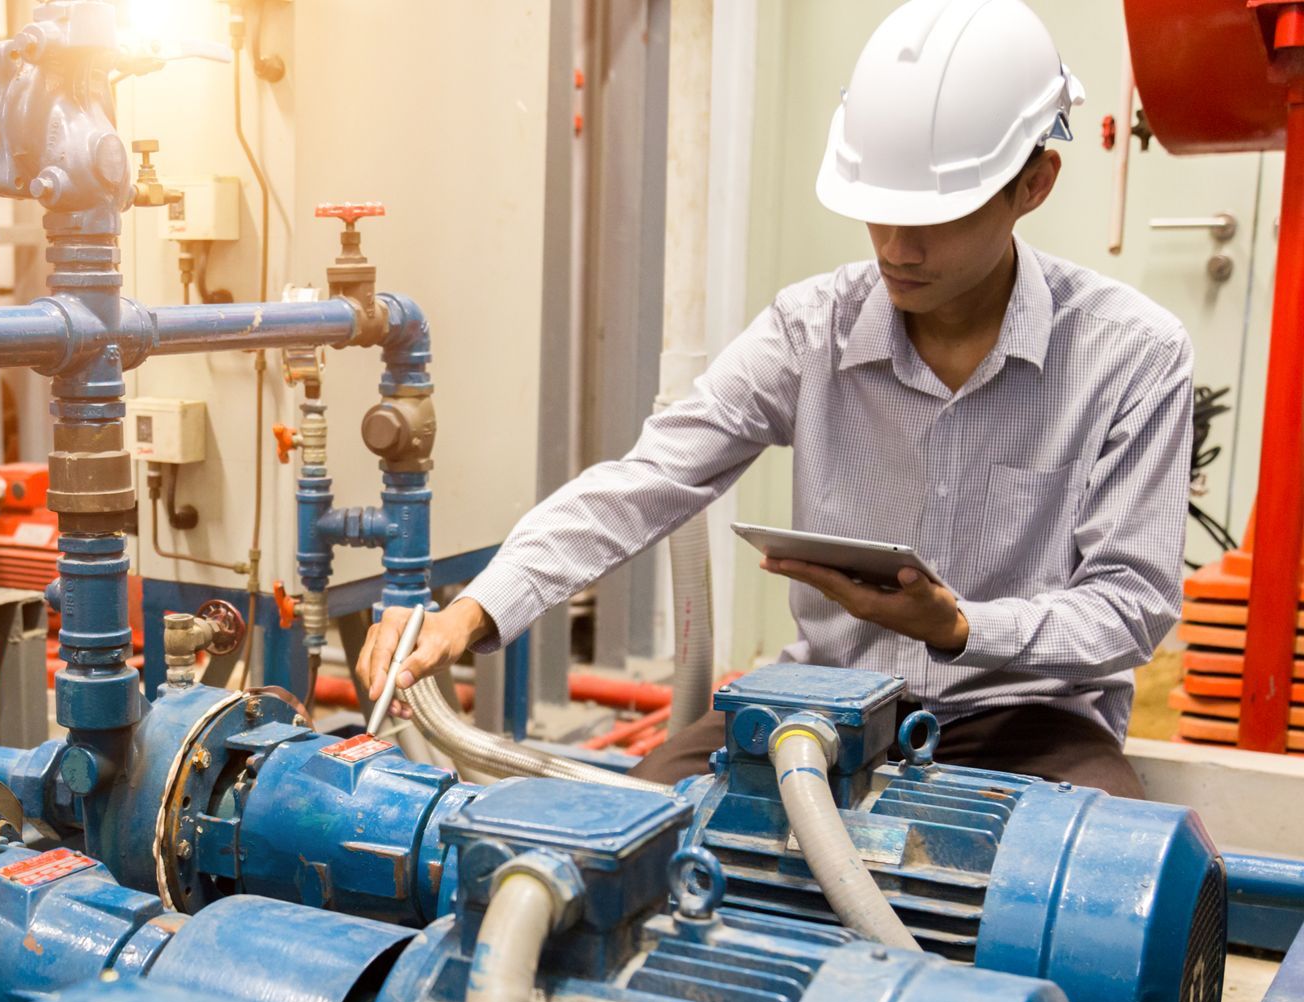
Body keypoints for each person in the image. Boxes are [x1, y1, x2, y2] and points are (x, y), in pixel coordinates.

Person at [355, 0, 1193, 800]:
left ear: (1035, 184)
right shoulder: (812, 329)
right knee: (624, 845)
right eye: (877, 210)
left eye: (938, 218)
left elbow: (1131, 606)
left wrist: (961, 628)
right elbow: (646, 480)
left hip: (1025, 715)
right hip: (824, 703)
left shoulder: (1132, 356)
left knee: (1106, 885)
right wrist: (471, 610)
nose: (896, 250)